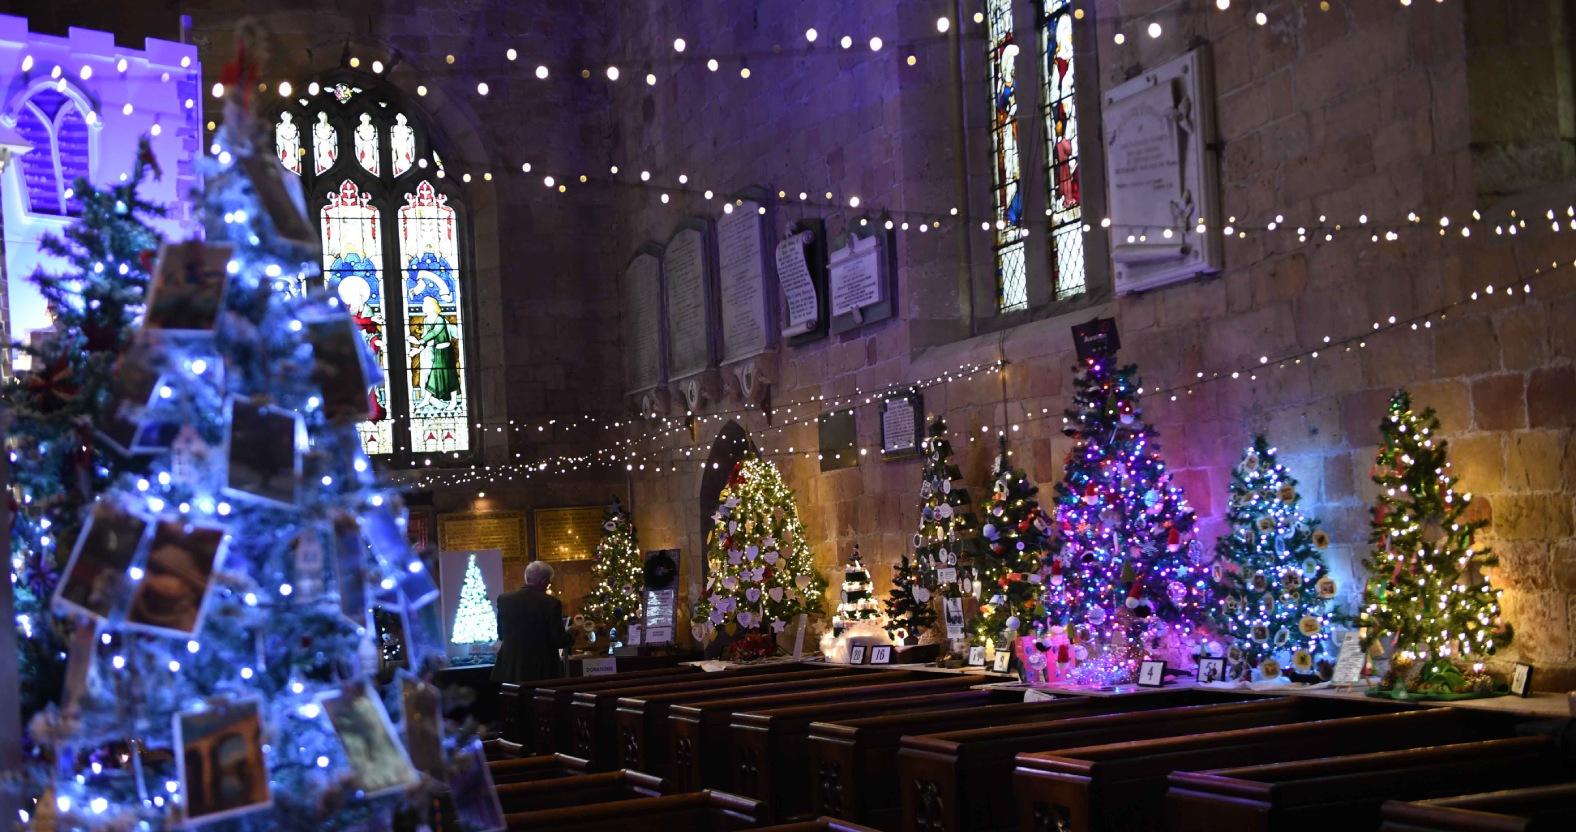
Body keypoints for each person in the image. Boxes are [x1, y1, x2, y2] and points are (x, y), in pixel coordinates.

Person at [491, 561, 575, 683]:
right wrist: (572, 635)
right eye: (549, 582)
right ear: (543, 581)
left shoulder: (504, 600)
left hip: (510, 670)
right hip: (540, 671)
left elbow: (501, 634)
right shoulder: (551, 603)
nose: (548, 585)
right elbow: (558, 639)